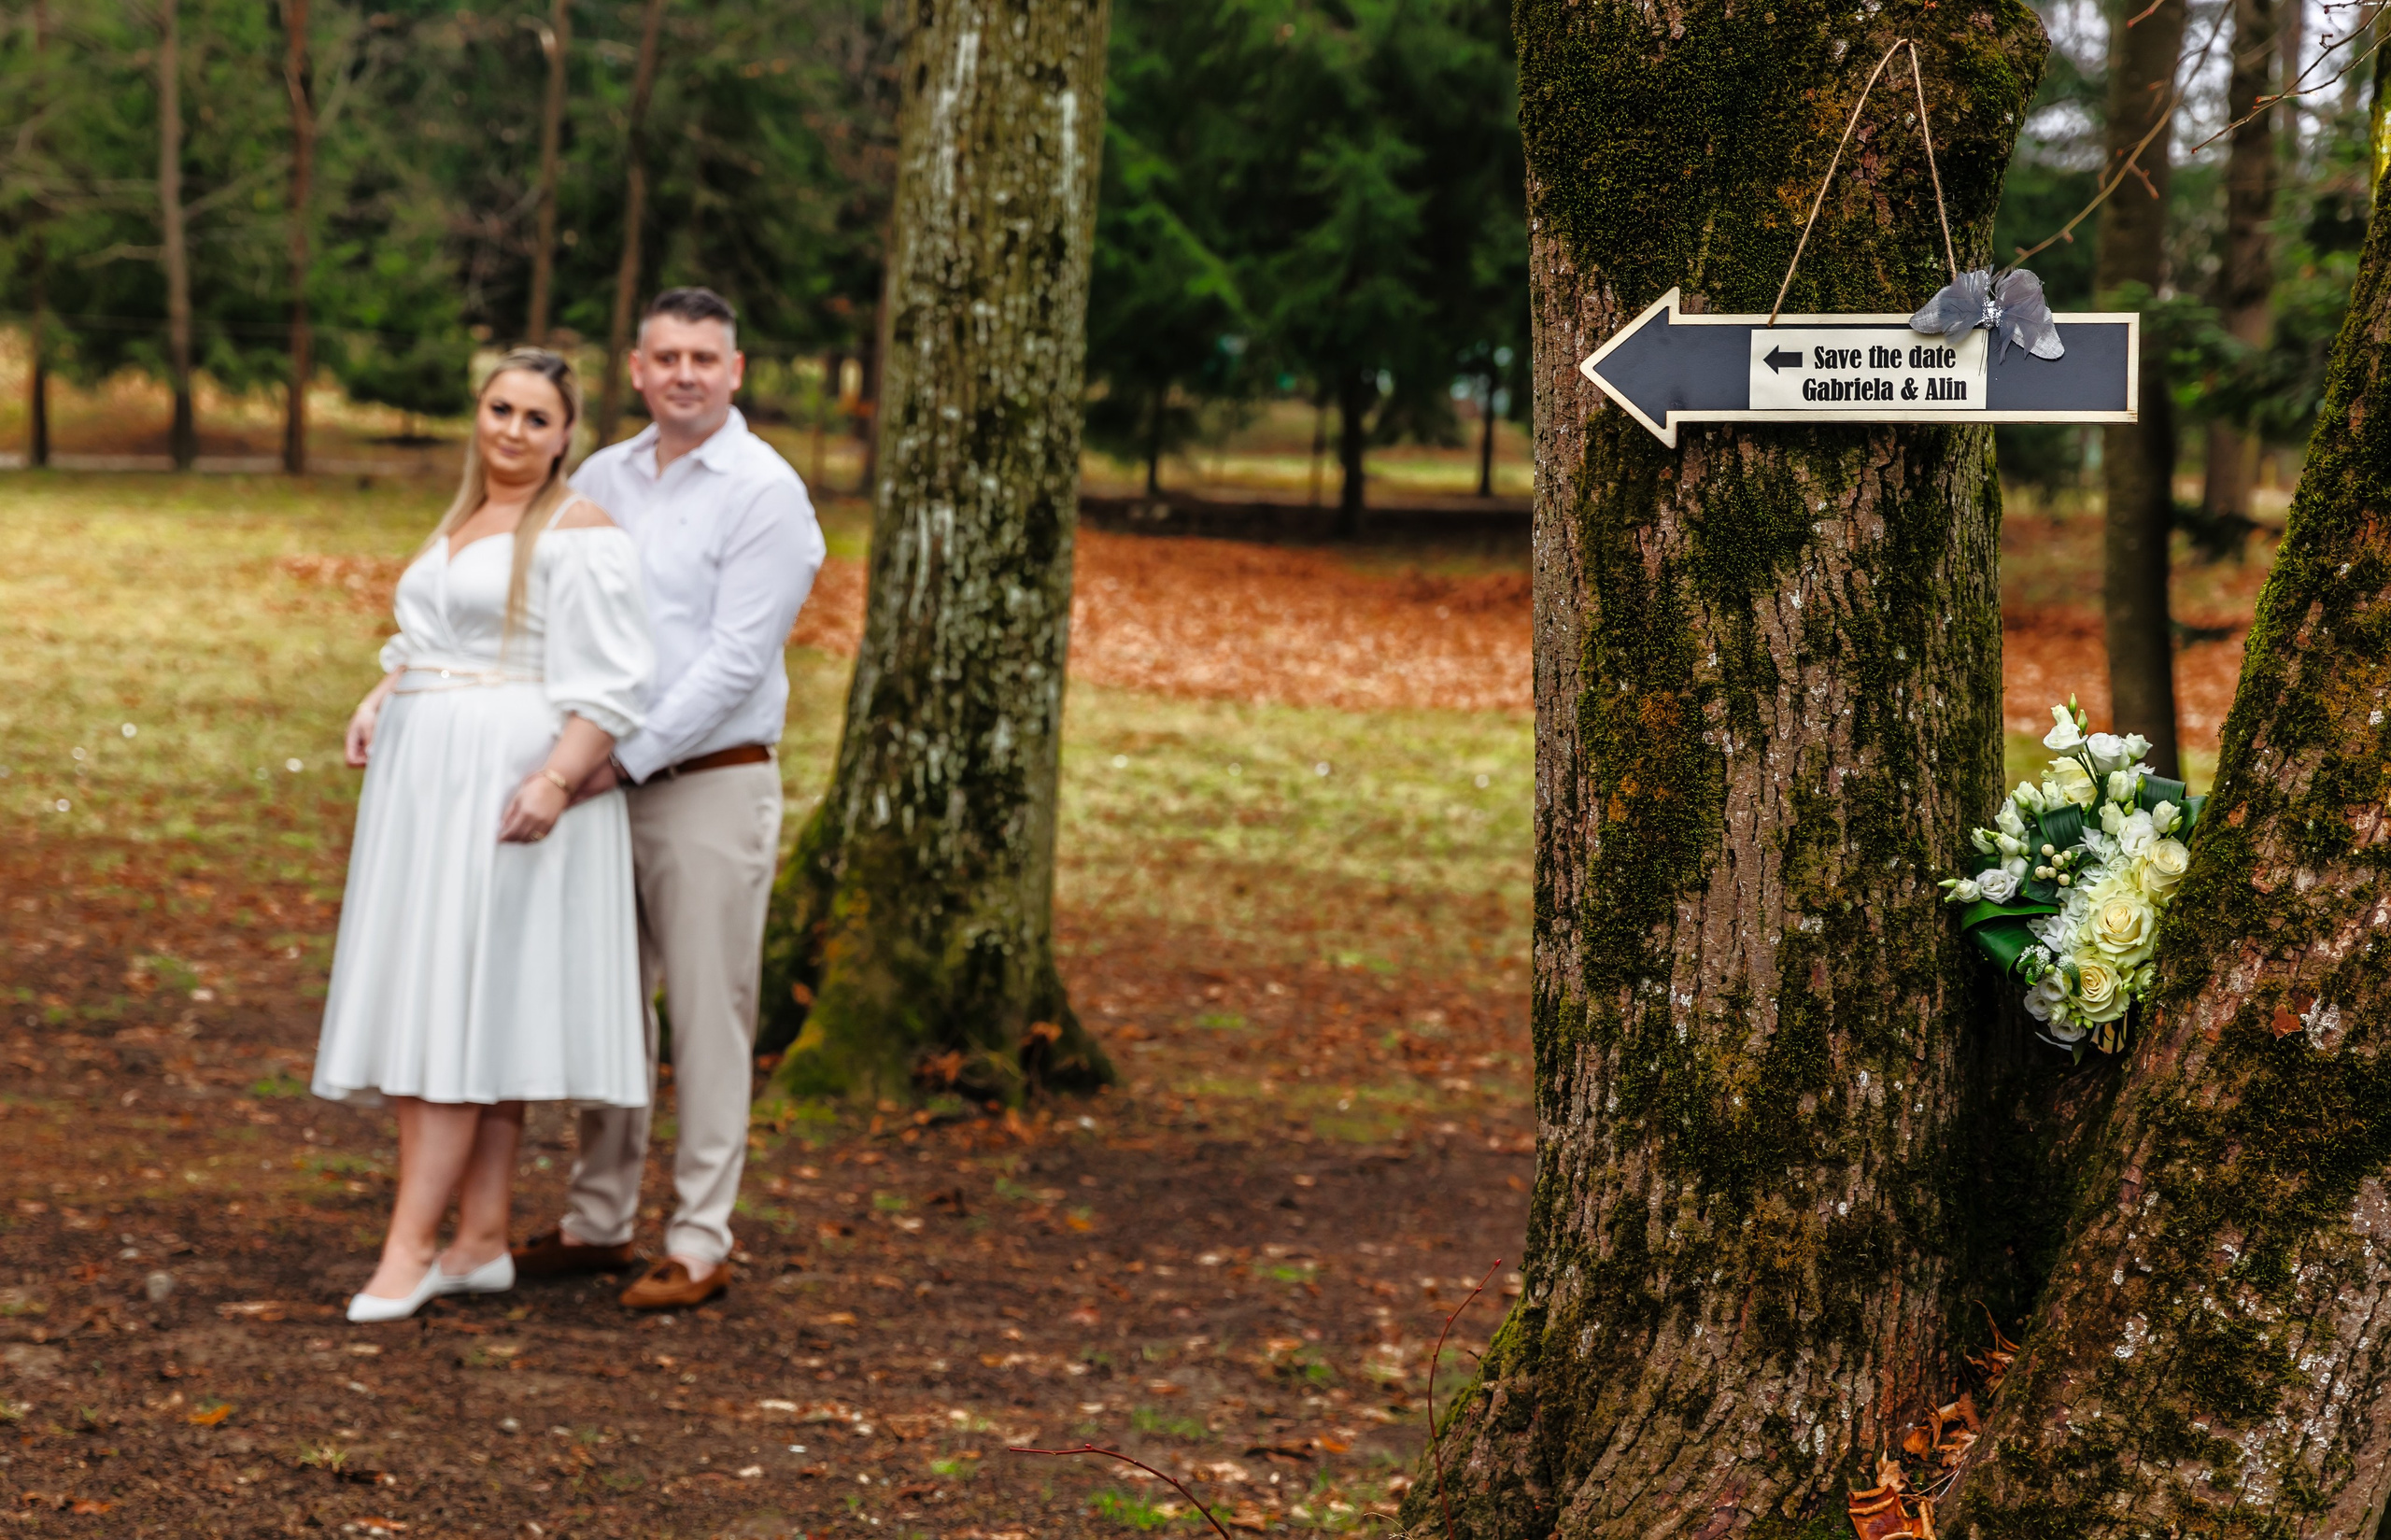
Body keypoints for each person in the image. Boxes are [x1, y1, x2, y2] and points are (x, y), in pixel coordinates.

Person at [314, 348, 656, 1324]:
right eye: (498, 408)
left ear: (564, 435)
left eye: (534, 417)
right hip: (427, 783)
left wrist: (556, 777)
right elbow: (437, 640)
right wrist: (386, 692)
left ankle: (410, 1246)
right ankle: (480, 1237)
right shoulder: (464, 518)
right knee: (460, 997)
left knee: (459, 1005)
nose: (510, 429)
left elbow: (614, 679)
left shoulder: (578, 531)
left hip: (502, 781)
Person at [508, 287, 825, 1311]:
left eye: (704, 356)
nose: (684, 371)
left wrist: (621, 759)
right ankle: (599, 1217)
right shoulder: (601, 476)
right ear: (636, 371)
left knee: (706, 1008)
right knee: (607, 1003)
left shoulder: (765, 492)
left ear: (736, 372)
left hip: (707, 785)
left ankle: (698, 1234)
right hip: (600, 778)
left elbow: (735, 660)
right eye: (665, 355)